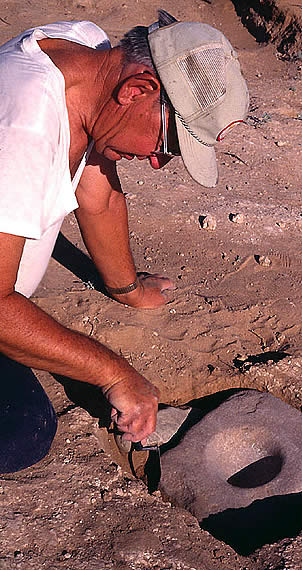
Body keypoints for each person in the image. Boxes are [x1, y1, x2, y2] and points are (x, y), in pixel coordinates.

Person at [0, 10, 249, 473]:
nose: (158, 162)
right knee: (20, 434)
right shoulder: (19, 132)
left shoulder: (87, 55)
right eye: (169, 143)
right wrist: (115, 373)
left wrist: (128, 288)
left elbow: (97, 194)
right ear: (138, 89)